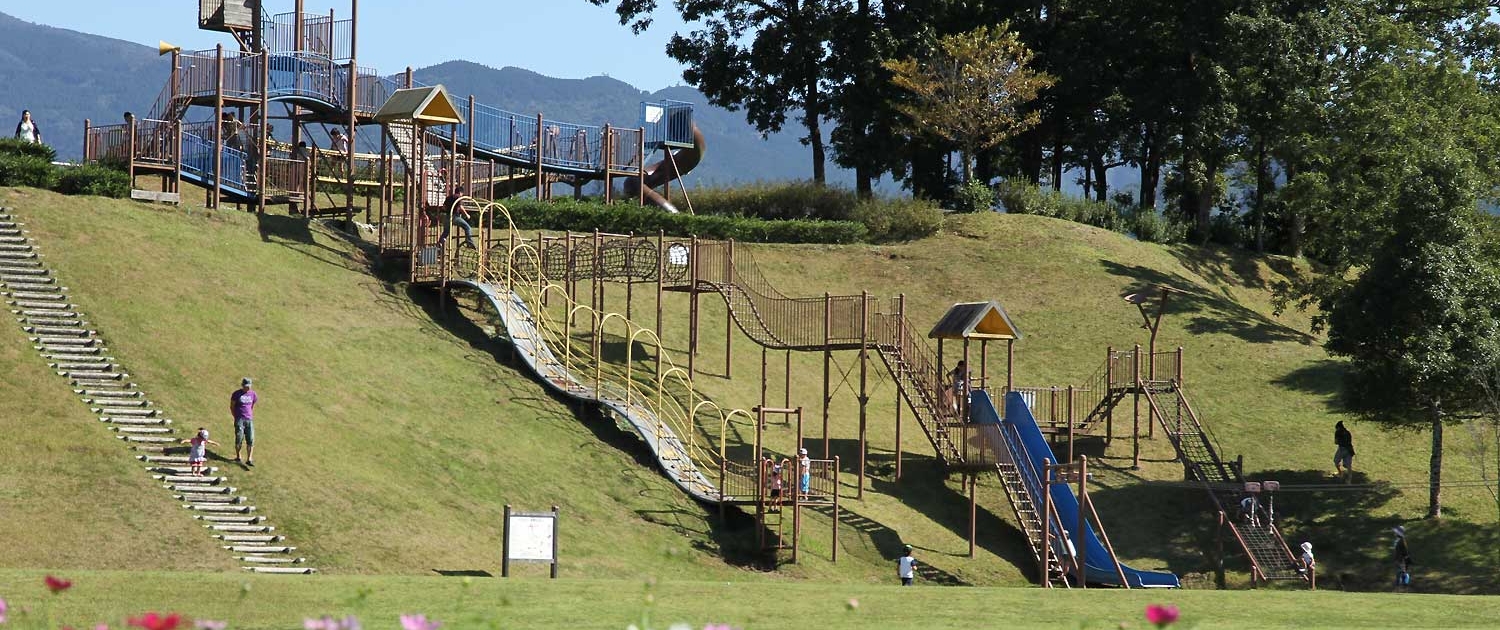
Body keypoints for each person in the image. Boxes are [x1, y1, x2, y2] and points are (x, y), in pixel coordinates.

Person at [230, 377, 258, 467]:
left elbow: (252, 405)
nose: (247, 388)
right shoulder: (236, 394)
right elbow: (232, 406)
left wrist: (249, 414)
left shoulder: (253, 394)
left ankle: (249, 458)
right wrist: (236, 416)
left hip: (249, 419)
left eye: (249, 386)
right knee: (239, 438)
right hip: (240, 419)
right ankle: (238, 456)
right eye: (246, 386)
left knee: (251, 438)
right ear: (242, 385)